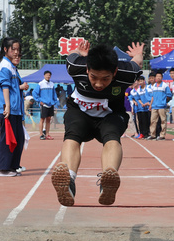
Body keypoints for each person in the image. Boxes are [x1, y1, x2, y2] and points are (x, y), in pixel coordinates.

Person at [50, 41, 143, 206]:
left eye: (105, 79)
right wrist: (79, 51)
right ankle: (68, 181)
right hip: (80, 112)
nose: (99, 84)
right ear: (87, 69)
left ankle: (108, 180)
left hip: (111, 115)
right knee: (72, 136)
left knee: (112, 137)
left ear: (115, 72)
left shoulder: (126, 72)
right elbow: (72, 54)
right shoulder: (76, 66)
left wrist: (137, 53)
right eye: (93, 77)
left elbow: (137, 62)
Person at [0, 37, 28, 176]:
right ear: (5, 49)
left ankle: (13, 166)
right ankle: (3, 169)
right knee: (8, 140)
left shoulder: (12, 67)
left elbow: (13, 87)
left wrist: (21, 87)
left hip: (16, 109)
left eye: (18, 50)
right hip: (8, 109)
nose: (16, 52)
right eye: (13, 49)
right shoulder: (5, 66)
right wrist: (7, 106)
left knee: (18, 139)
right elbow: (5, 86)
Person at [147, 70, 171, 139]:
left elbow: (169, 95)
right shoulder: (154, 86)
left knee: (163, 121)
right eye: (157, 76)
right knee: (153, 121)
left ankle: (162, 135)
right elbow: (152, 96)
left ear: (162, 77)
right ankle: (153, 134)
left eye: (159, 76)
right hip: (154, 106)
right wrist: (151, 105)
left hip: (161, 106)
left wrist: (164, 101)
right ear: (155, 78)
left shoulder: (165, 86)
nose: (158, 77)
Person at [36, 70, 58, 140]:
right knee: (42, 119)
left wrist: (54, 102)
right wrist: (39, 101)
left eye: (49, 75)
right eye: (47, 75)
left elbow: (54, 94)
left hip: (51, 104)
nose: (48, 76)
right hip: (44, 105)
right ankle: (41, 134)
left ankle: (47, 134)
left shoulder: (52, 84)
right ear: (44, 75)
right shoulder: (40, 84)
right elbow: (35, 93)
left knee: (48, 119)